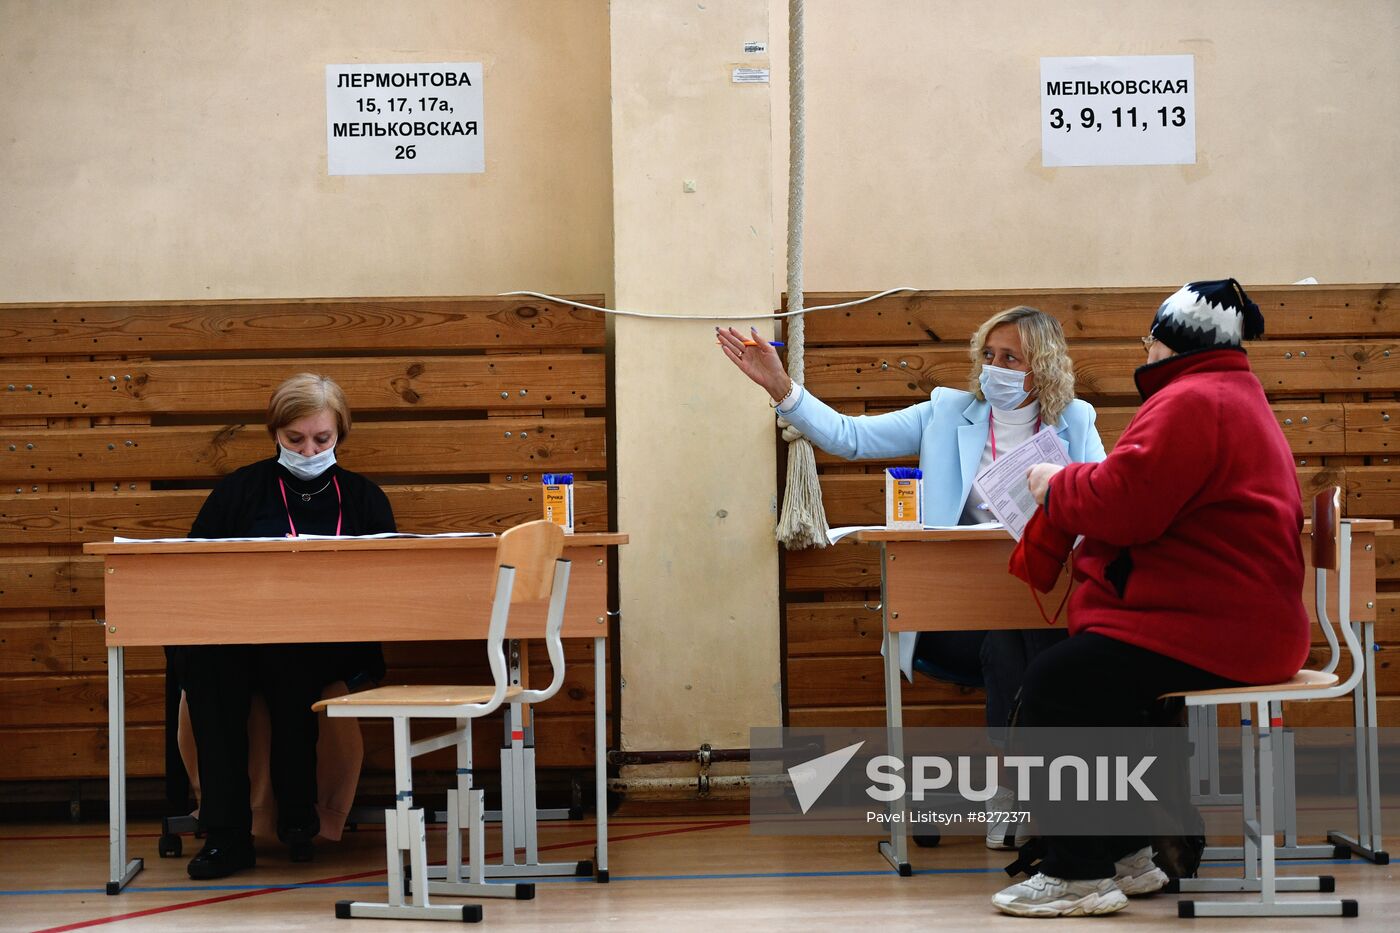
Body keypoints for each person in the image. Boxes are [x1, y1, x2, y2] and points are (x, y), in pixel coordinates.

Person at [718, 306, 1106, 846]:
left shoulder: (1076, 421)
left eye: (1010, 358)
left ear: (1041, 367)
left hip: (1041, 608)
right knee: (1011, 640)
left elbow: (1101, 508)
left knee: (1022, 635)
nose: (993, 368)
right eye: (988, 355)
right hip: (952, 617)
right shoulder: (946, 412)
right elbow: (851, 437)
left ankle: (1024, 792)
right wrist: (783, 389)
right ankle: (1025, 793)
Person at [990, 279, 1309, 918]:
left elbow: (1126, 503)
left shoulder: (1192, 400)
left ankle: (1077, 875)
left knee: (1059, 682)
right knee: (1105, 693)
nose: (1146, 349)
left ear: (1171, 342)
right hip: (1234, 620)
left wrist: (1056, 484)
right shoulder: (1226, 393)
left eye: (1151, 338)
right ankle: (1128, 855)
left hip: (1221, 625)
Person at [170, 373, 395, 880]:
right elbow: (191, 570)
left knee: (290, 658)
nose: (309, 451)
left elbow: (385, 585)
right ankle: (226, 834)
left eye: (322, 439)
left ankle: (298, 810)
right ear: (275, 432)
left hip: (329, 639)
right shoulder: (240, 491)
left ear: (340, 434)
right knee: (206, 662)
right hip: (241, 634)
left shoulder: (363, 497)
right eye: (295, 439)